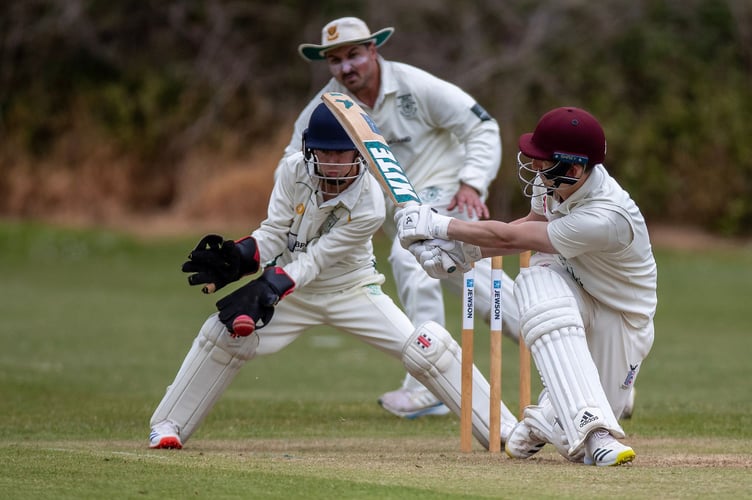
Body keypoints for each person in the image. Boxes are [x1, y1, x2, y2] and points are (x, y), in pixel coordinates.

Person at [148, 103, 518, 450]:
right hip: (295, 294)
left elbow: (316, 260)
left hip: (352, 290)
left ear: (359, 153)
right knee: (221, 335)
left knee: (426, 348)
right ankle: (167, 426)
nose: (332, 162)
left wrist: (270, 286)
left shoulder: (371, 204)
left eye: (341, 153)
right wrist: (243, 255)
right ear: (310, 148)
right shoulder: (293, 170)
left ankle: (504, 431)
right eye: (324, 151)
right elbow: (275, 231)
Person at [284, 16, 520, 419]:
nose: (346, 67)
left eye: (354, 55)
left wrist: (472, 183)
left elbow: (481, 126)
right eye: (335, 60)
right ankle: (585, 357)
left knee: (412, 254)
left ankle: (429, 385)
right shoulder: (328, 107)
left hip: (445, 194)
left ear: (373, 50)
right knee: (485, 288)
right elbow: (291, 164)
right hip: (399, 216)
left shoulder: (414, 85)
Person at [395, 107, 656, 466]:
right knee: (536, 281)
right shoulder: (553, 181)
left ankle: (544, 420)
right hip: (570, 282)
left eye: (542, 159)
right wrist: (459, 255)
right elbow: (527, 227)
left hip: (623, 316)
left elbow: (514, 236)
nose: (534, 165)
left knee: (571, 445)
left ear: (574, 169)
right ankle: (596, 433)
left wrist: (441, 226)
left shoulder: (607, 217)